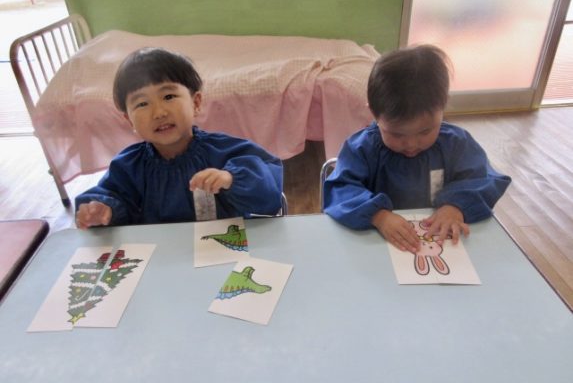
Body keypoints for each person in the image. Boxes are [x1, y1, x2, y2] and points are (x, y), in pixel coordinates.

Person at [323, 44, 511, 253]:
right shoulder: (361, 149)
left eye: (425, 131)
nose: (411, 145)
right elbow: (340, 189)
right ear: (374, 114)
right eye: (397, 134)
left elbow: (482, 179)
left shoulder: (457, 144)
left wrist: (456, 206)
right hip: (374, 245)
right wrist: (378, 215)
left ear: (442, 107)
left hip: (442, 243)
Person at [75, 47, 283, 229]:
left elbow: (271, 190)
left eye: (168, 96)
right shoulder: (128, 166)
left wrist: (231, 179)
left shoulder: (223, 150)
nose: (159, 113)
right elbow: (111, 196)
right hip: (159, 255)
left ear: (196, 103)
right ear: (129, 120)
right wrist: (102, 210)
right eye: (142, 104)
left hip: (223, 250)